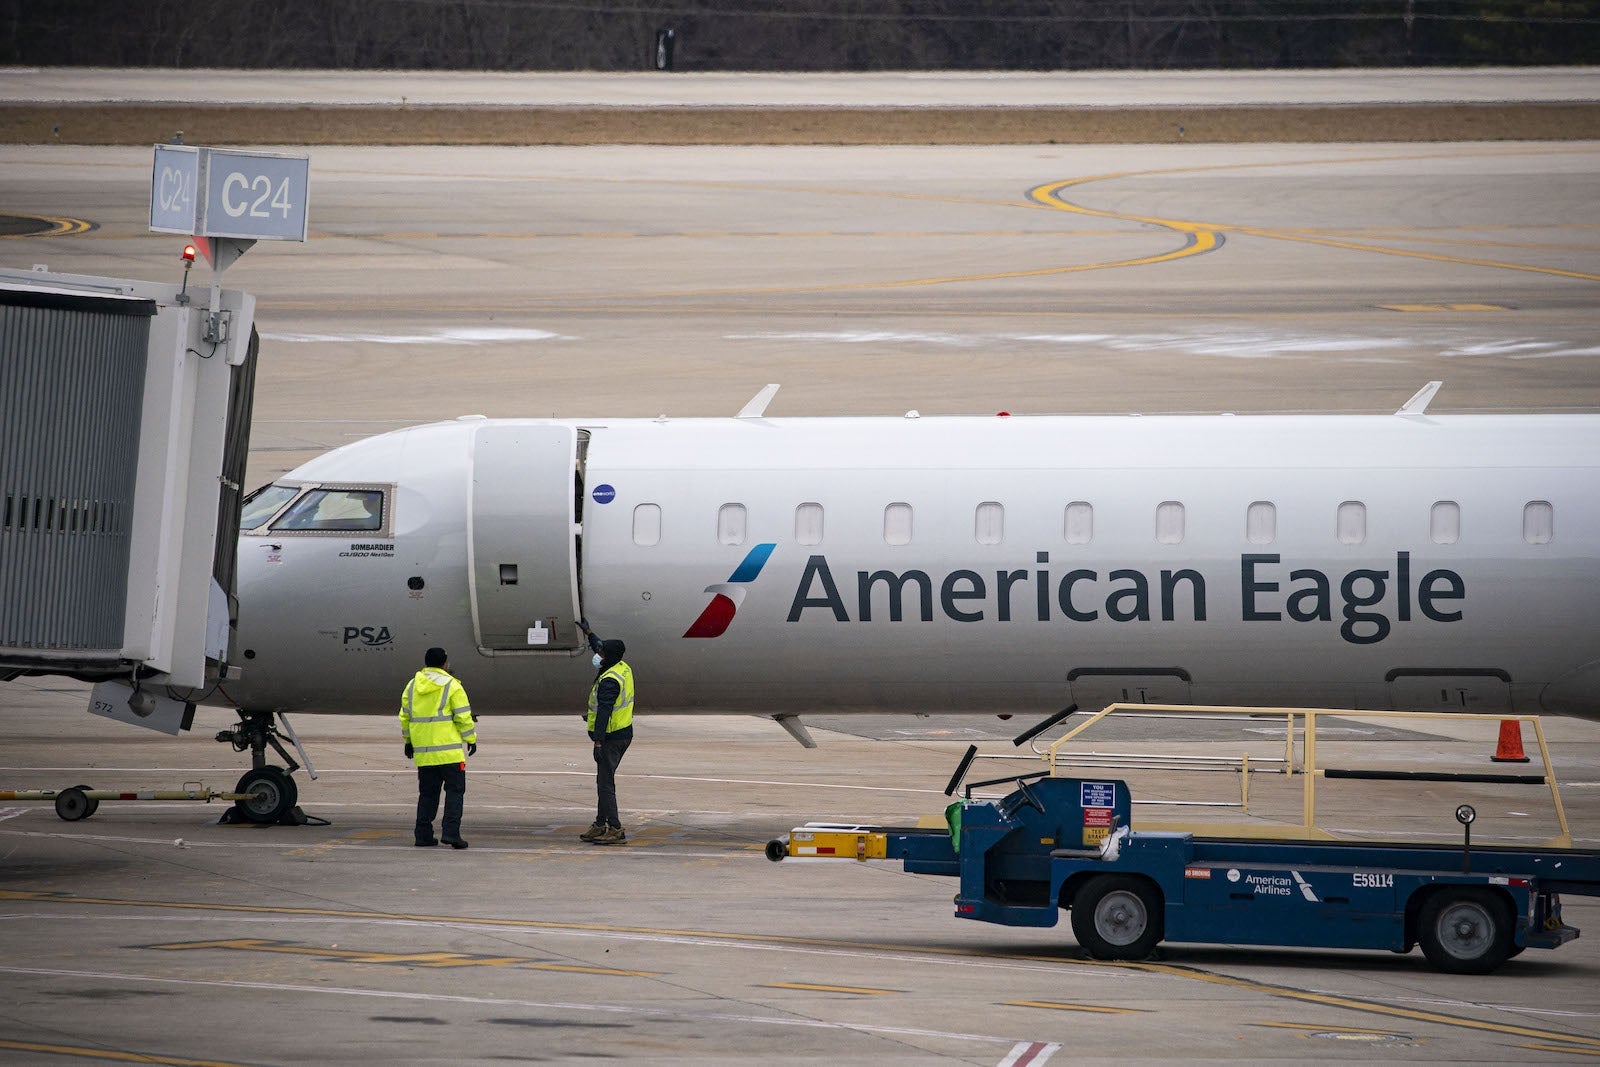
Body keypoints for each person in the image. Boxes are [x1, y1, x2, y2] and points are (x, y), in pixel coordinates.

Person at [400, 646, 477, 849]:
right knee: (455, 791)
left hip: (424, 754)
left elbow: (405, 717)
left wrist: (408, 742)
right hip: (450, 752)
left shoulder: (412, 685)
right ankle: (451, 833)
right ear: (445, 663)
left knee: (427, 794)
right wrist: (471, 739)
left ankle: (422, 834)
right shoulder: (452, 685)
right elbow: (463, 716)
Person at [578, 619, 633, 845]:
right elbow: (602, 646)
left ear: (608, 656)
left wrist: (598, 742)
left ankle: (615, 828)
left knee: (605, 783)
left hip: (610, 737)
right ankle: (600, 824)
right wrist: (590, 633)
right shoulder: (621, 666)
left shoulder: (610, 680)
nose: (598, 654)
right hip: (623, 733)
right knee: (603, 779)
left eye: (601, 653)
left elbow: (603, 713)